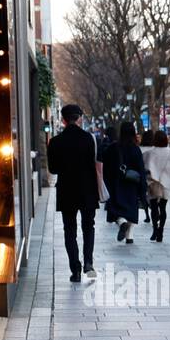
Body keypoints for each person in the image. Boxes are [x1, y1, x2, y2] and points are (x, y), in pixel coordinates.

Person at [47, 104, 100, 281]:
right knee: (88, 226)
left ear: (63, 120)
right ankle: (88, 263)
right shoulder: (89, 139)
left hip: (66, 190)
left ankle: (75, 270)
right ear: (79, 118)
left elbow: (53, 169)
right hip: (87, 189)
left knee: (69, 229)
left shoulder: (55, 142)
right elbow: (94, 163)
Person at [102, 121, 146, 244]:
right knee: (131, 209)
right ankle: (129, 236)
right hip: (132, 184)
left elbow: (106, 167)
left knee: (116, 208)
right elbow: (141, 169)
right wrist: (143, 188)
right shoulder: (136, 149)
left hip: (116, 183)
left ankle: (122, 222)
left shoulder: (113, 147)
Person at [144, 130, 170, 243]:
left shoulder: (150, 153)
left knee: (154, 207)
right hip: (167, 183)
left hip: (153, 183)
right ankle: (161, 231)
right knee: (163, 208)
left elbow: (145, 167)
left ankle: (155, 230)